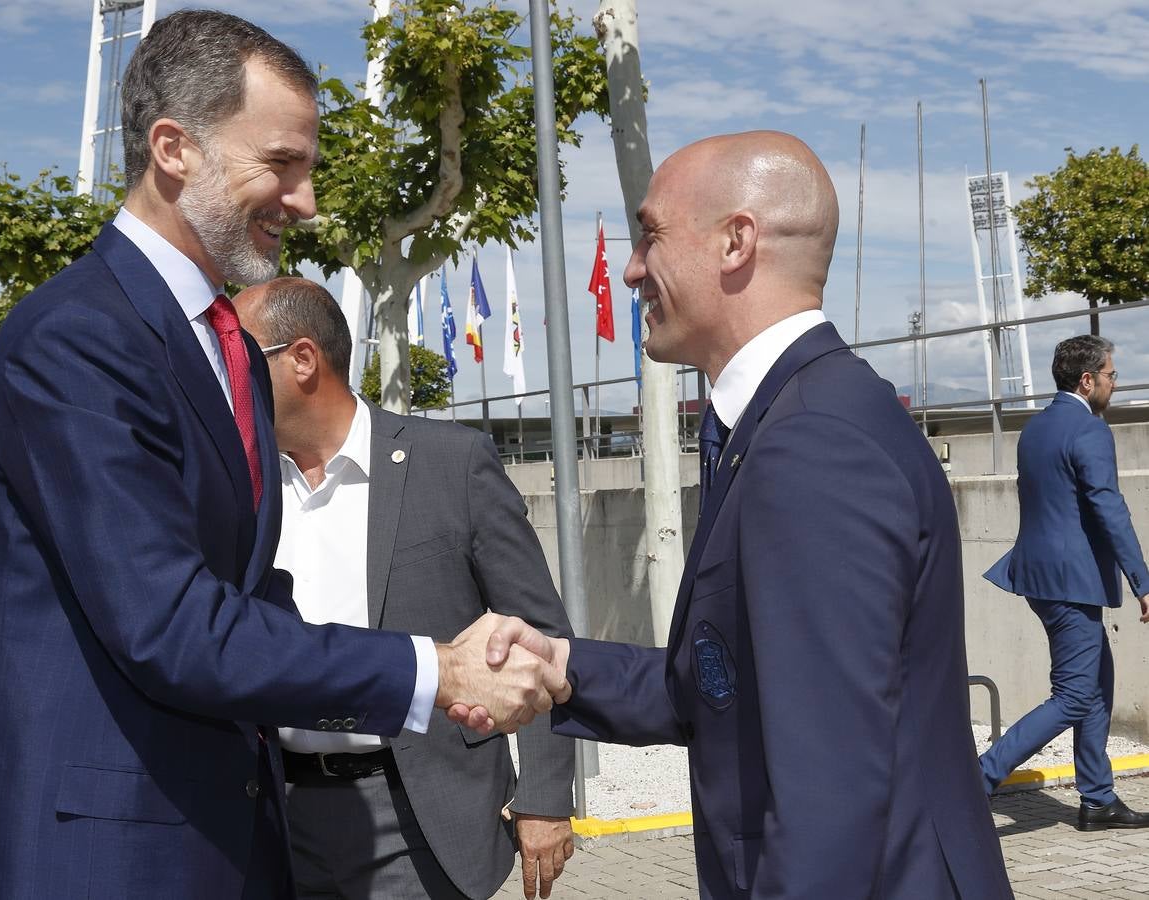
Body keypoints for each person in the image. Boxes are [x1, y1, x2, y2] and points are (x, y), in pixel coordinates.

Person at [0, 12, 564, 899]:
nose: (304, 201)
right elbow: (171, 624)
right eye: (281, 164)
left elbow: (243, 599)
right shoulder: (77, 340)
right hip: (103, 860)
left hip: (218, 840)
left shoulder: (209, 342)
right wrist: (430, 670)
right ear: (173, 147)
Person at [459, 131, 1014, 898]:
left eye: (649, 235)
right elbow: (726, 691)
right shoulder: (792, 419)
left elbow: (830, 792)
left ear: (736, 243)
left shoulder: (812, 443)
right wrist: (561, 666)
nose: (630, 268)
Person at [234, 278, 575, 900]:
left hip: (418, 812)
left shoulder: (451, 463)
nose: (226, 378)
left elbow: (539, 636)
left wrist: (545, 800)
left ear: (303, 359)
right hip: (280, 814)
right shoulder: (243, 487)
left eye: (239, 358)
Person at [979, 335, 1149, 830]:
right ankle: (979, 779)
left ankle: (1097, 799)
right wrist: (1141, 580)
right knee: (1075, 695)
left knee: (1097, 683)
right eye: (1112, 375)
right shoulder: (1089, 430)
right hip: (1071, 580)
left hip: (1038, 573)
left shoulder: (1035, 429)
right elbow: (1108, 507)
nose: (1115, 384)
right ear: (1087, 379)